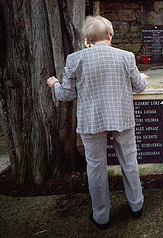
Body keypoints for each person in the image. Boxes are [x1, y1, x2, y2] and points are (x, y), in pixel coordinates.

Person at [47, 16, 148, 230]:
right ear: (109, 35)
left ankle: (101, 217)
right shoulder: (126, 56)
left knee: (95, 167)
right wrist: (143, 79)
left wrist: (55, 84)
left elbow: (66, 94)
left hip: (91, 120)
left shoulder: (75, 59)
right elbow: (139, 87)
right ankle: (136, 206)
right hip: (121, 117)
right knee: (129, 162)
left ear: (88, 39)